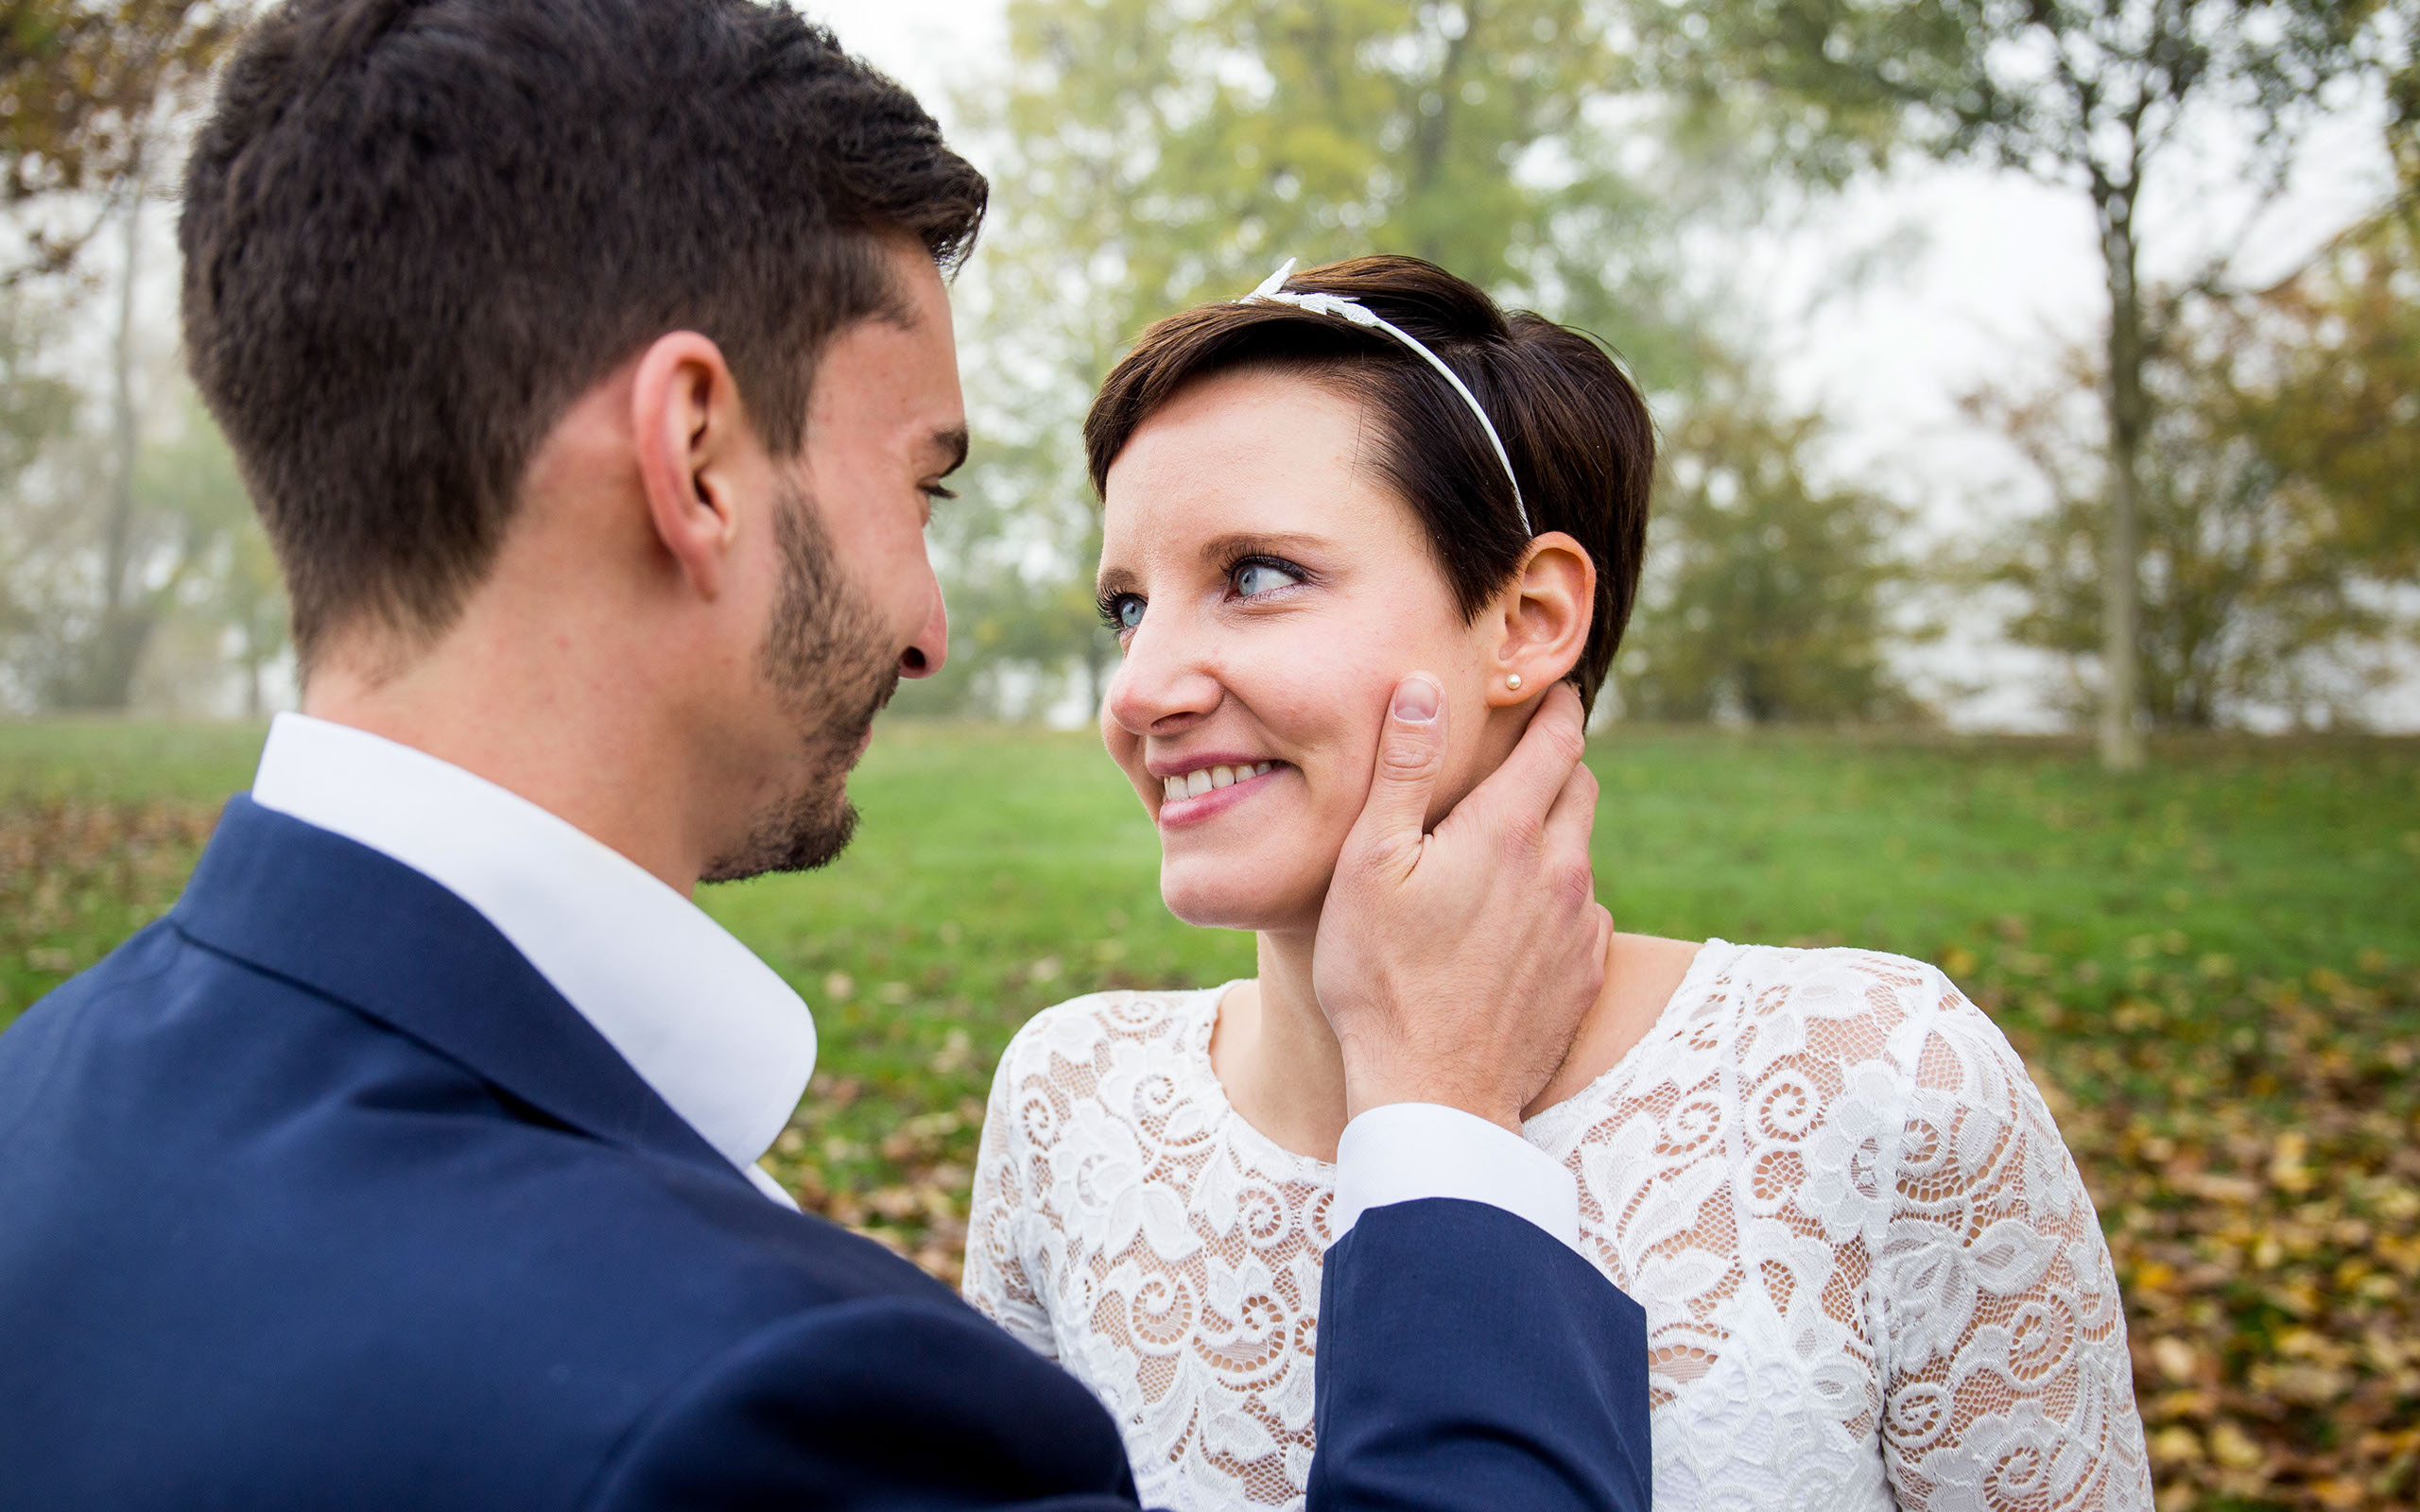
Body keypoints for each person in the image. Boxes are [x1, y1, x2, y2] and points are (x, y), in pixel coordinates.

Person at [0, 5, 1652, 1508]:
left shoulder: (39, 1108)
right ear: (696, 456)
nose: (929, 627)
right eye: (918, 486)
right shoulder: (766, 1400)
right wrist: (1441, 1127)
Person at [963, 255, 2154, 1510]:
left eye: (1257, 575)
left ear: (1530, 619)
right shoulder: (1067, 1106)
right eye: (1129, 606)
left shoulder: (1878, 1084)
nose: (1140, 689)